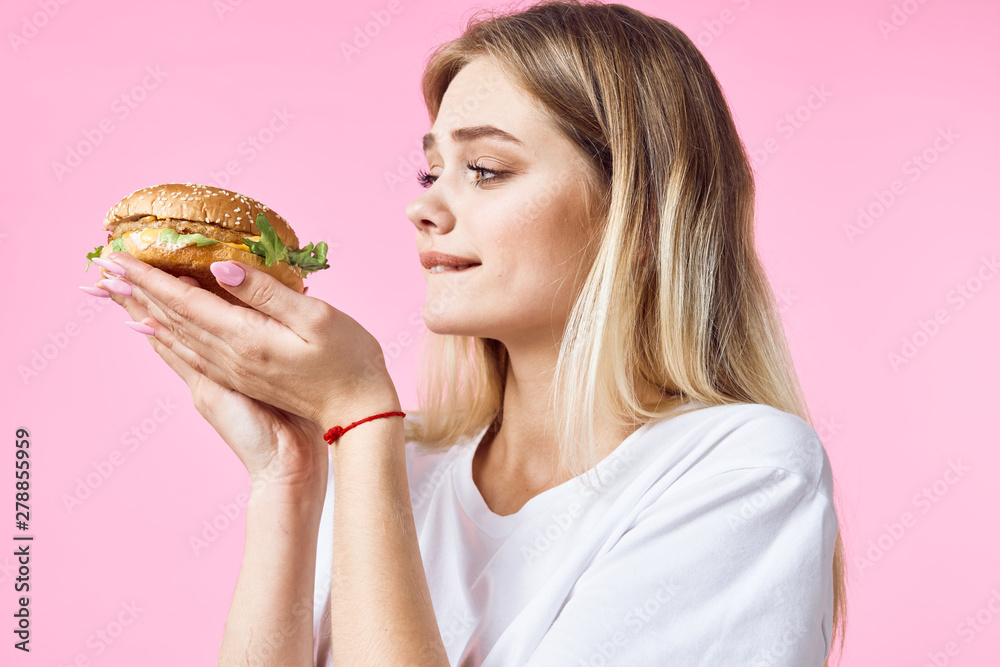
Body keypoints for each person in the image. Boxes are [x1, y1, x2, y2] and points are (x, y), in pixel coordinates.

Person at [90, 0, 848, 664]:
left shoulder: (743, 473)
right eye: (432, 173)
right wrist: (286, 477)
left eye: (485, 168)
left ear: (639, 214)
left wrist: (360, 412)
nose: (424, 210)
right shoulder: (398, 461)